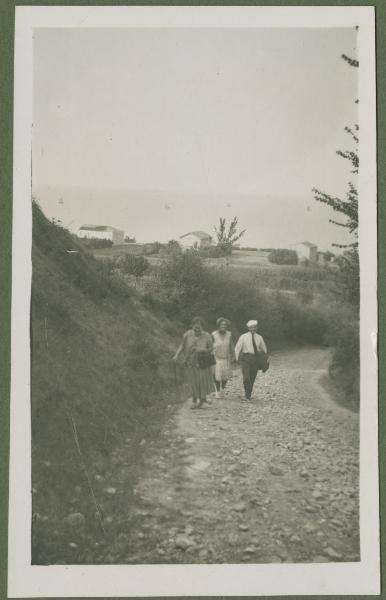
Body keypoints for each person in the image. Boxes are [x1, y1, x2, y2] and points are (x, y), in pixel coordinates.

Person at [173, 317, 215, 409]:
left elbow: (211, 349)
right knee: (193, 381)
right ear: (192, 326)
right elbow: (182, 345)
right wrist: (177, 355)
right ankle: (195, 400)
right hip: (190, 361)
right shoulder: (187, 334)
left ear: (202, 327)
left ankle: (202, 398)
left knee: (201, 381)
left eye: (199, 328)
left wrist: (200, 349)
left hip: (202, 362)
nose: (196, 329)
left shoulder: (207, 336)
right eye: (195, 327)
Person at [235, 319, 268, 401]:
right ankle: (247, 393)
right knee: (246, 377)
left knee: (252, 377)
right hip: (245, 358)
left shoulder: (259, 337)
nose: (253, 329)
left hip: (255, 359)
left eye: (254, 327)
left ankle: (248, 395)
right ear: (248, 328)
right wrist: (236, 358)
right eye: (251, 327)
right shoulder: (243, 337)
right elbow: (237, 348)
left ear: (257, 328)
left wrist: (264, 358)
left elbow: (264, 349)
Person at [212, 318, 235, 398]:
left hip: (226, 358)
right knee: (216, 376)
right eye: (222, 325)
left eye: (225, 325)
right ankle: (217, 391)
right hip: (216, 358)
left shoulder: (229, 334)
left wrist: (233, 355)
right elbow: (210, 345)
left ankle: (222, 388)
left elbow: (231, 345)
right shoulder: (214, 334)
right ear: (218, 325)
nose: (223, 326)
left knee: (225, 376)